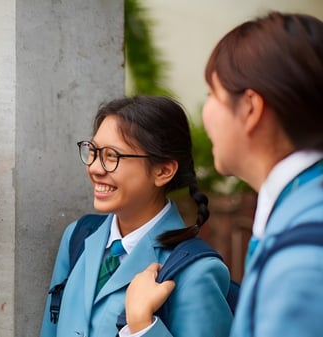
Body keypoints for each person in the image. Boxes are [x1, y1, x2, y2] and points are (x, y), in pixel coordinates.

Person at [124, 11, 323, 337]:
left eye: (211, 94)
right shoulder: (295, 213)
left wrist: (142, 327)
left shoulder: (303, 255)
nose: (204, 112)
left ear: (250, 108)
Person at [40, 95, 233, 337]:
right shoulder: (77, 237)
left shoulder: (196, 272)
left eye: (112, 156)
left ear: (163, 171)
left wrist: (143, 327)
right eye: (93, 151)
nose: (95, 168)